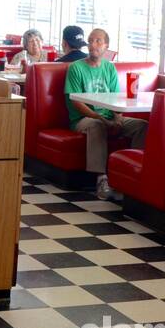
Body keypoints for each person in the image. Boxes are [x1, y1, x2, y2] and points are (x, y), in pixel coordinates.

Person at [65, 28, 147, 200]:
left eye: (98, 41)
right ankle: (101, 179)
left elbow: (115, 99)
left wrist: (117, 118)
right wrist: (100, 118)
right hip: (83, 120)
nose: (93, 45)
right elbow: (75, 102)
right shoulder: (76, 68)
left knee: (141, 126)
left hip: (109, 116)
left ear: (106, 46)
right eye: (90, 41)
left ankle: (132, 176)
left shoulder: (110, 69)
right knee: (97, 125)